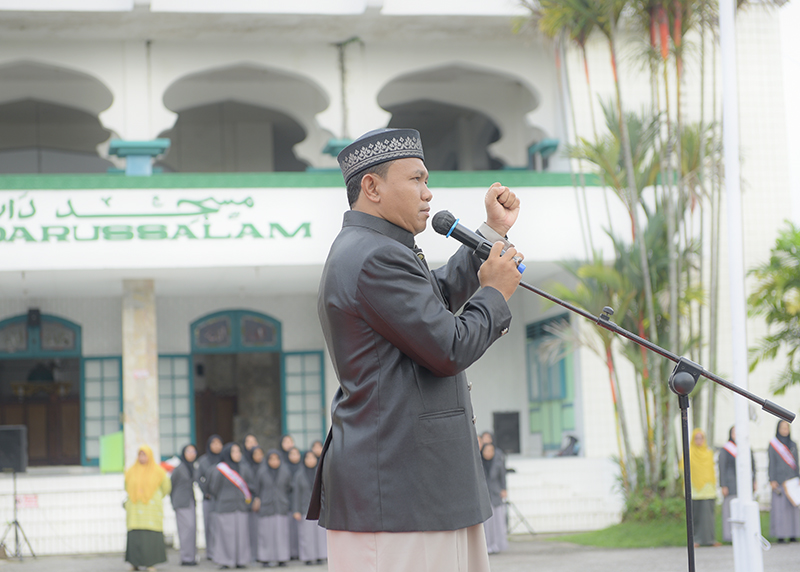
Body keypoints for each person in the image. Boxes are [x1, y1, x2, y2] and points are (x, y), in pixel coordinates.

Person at [311, 128, 523, 572]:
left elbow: (435, 299)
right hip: (400, 486)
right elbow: (447, 346)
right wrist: (494, 295)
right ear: (372, 187)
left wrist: (490, 233)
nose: (429, 194)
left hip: (415, 482)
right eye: (416, 180)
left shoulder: (378, 249)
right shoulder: (374, 257)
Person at [125, 445, 171, 571]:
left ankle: (151, 563)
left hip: (151, 509)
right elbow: (126, 486)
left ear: (150, 456)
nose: (142, 457)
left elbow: (166, 487)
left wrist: (155, 497)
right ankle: (134, 563)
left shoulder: (158, 471)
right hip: (135, 509)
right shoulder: (131, 470)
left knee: (150, 536)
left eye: (144, 455)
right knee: (135, 536)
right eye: (140, 455)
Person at [209, 443, 253, 569]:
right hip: (225, 507)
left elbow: (250, 485)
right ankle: (225, 561)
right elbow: (214, 488)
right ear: (227, 453)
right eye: (234, 451)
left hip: (241, 506)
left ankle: (241, 560)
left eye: (238, 451)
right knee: (225, 536)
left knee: (241, 535)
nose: (237, 454)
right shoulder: (221, 470)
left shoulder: (244, 468)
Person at [254, 449, 292, 567]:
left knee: (281, 534)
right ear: (267, 460)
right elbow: (257, 488)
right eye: (271, 459)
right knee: (266, 534)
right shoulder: (262, 472)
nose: (274, 461)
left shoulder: (285, 472)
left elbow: (289, 488)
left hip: (281, 506)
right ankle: (265, 558)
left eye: (276, 459)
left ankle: (282, 558)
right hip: (266, 506)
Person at [718, 426, 756, 543]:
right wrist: (723, 485)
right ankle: (730, 536)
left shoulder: (746, 448)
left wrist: (754, 481)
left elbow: (753, 466)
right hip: (731, 485)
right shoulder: (725, 449)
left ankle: (746, 534)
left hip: (745, 484)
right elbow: (722, 468)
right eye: (734, 432)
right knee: (730, 510)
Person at [293, 451, 327, 565]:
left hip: (320, 508)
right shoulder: (299, 474)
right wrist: (296, 510)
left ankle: (321, 556)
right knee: (307, 534)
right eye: (308, 458)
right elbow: (296, 493)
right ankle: (308, 557)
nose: (310, 460)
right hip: (305, 508)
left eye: (312, 458)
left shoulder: (321, 472)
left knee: (320, 534)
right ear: (304, 460)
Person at [769, 420, 800, 542]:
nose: (784, 430)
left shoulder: (793, 444)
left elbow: (796, 463)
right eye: (782, 428)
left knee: (793, 510)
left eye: (786, 428)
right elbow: (771, 463)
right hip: (780, 481)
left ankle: (793, 534)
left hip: (792, 480)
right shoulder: (773, 445)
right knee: (780, 510)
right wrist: (772, 479)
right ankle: (781, 535)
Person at [687, 428, 719, 547]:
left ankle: (710, 539)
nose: (699, 441)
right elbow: (683, 469)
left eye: (701, 438)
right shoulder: (689, 453)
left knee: (709, 516)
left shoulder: (708, 452)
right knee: (696, 516)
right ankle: (696, 540)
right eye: (697, 438)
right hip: (695, 489)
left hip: (708, 489)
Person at [171, 444, 199, 566]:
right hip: (181, 502)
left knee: (192, 529)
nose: (191, 454)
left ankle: (192, 556)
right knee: (186, 530)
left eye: (193, 451)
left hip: (190, 501)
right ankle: (186, 557)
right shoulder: (179, 468)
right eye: (188, 451)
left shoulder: (193, 467)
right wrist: (174, 501)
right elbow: (171, 485)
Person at [198, 434, 224, 561]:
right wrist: (206, 492)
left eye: (219, 443)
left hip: (222, 499)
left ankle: (221, 551)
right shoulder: (203, 461)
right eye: (214, 443)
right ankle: (211, 552)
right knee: (209, 526)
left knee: (222, 526)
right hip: (209, 499)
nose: (217, 446)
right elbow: (199, 478)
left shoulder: (225, 460)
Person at [481, 443, 508, 554]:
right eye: (487, 451)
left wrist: (503, 489)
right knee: (487, 524)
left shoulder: (497, 462)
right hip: (484, 495)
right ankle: (487, 545)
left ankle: (498, 545)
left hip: (495, 494)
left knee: (498, 521)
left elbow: (502, 476)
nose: (489, 453)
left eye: (491, 450)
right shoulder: (479, 462)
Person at [243, 442, 263, 564]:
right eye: (256, 454)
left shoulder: (266, 467)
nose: (259, 456)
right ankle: (253, 555)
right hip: (250, 502)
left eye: (261, 453)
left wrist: (260, 498)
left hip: (265, 502)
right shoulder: (247, 468)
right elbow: (247, 486)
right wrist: (254, 499)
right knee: (252, 531)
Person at [285, 446, 302, 560]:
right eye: (292, 454)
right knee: (290, 529)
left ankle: (301, 553)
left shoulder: (303, 468)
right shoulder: (285, 468)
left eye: (296, 454)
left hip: (302, 501)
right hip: (288, 500)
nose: (294, 456)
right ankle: (291, 553)